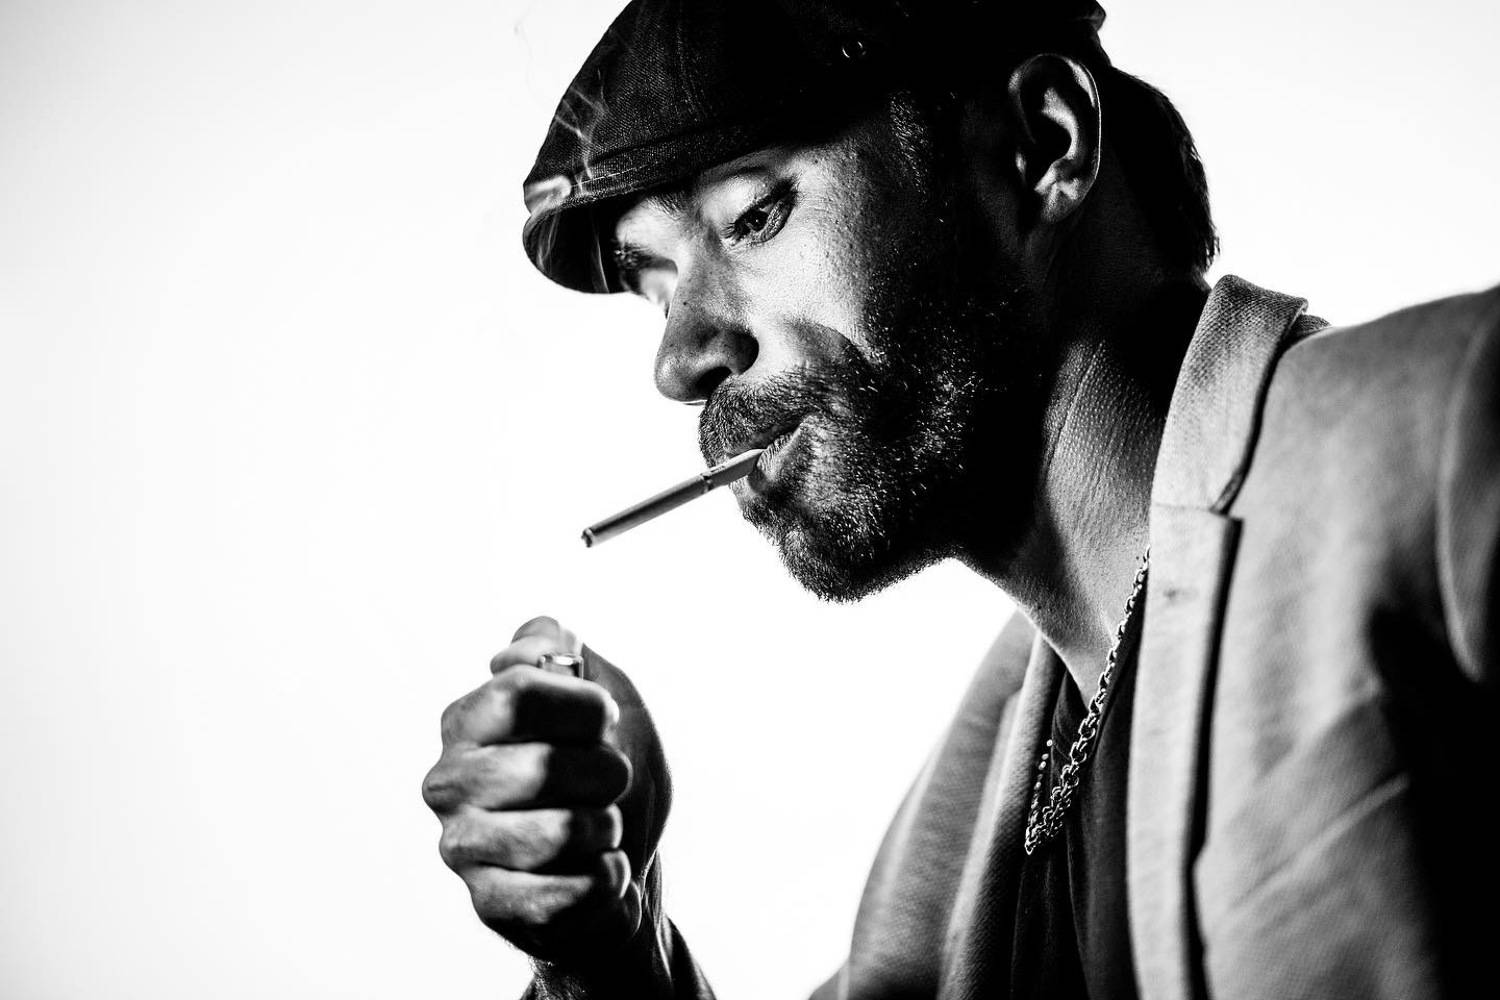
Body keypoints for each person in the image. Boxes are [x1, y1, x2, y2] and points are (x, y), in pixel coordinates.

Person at [420, 1, 1500, 996]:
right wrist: (610, 943)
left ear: (1040, 144)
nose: (681, 358)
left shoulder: (1453, 427)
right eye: (655, 285)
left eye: (754, 216)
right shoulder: (942, 861)